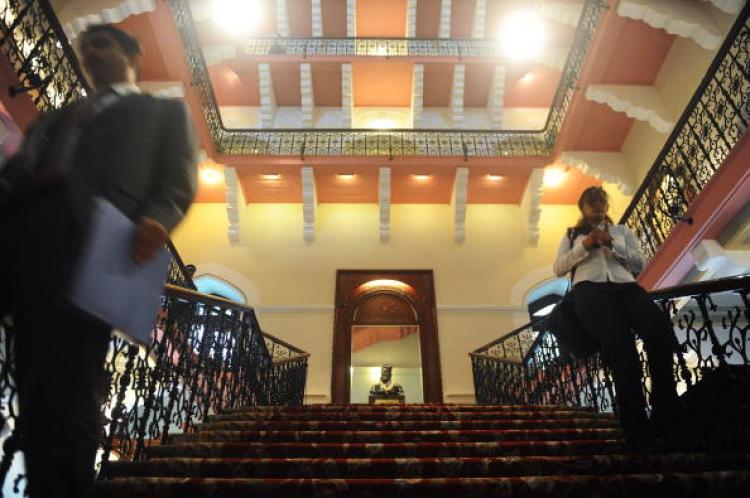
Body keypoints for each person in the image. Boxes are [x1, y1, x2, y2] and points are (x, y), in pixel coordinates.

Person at [0, 24, 197, 498]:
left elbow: (176, 181)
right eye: (86, 50)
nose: (91, 56)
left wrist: (156, 221)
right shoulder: (57, 117)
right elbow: (22, 166)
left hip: (90, 249)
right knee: (29, 384)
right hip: (22, 240)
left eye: (102, 46)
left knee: (70, 386)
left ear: (134, 54)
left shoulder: (162, 111)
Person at [552, 186, 679, 448]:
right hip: (589, 290)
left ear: (607, 205)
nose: (597, 205)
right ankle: (637, 431)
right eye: (591, 201)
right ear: (582, 207)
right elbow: (558, 268)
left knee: (659, 332)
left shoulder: (622, 232)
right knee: (622, 352)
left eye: (601, 200)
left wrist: (613, 243)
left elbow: (639, 264)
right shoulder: (572, 234)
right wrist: (584, 246)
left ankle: (666, 414)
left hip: (626, 287)